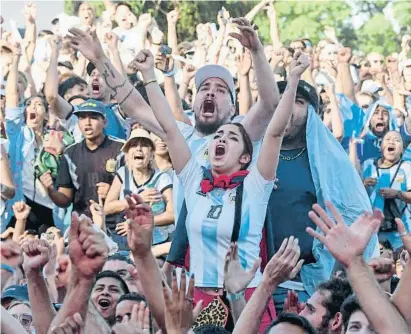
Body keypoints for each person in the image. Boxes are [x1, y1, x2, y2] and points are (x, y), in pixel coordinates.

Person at [134, 42, 309, 329]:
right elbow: (169, 127)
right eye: (218, 136)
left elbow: (275, 131)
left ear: (244, 156)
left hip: (247, 296)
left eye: (231, 137)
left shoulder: (256, 186)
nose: (221, 139)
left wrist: (293, 80)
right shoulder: (193, 180)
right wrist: (149, 76)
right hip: (198, 297)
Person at [265, 76, 377, 313]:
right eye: (280, 99)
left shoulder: (331, 163)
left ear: (315, 114)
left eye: (297, 101)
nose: (285, 106)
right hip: (250, 282)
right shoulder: (251, 154)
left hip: (303, 289)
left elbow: (353, 217)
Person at [40, 99, 124, 218]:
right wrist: (50, 190)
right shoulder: (70, 153)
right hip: (83, 223)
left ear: (104, 122)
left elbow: (136, 188)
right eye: (82, 118)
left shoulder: (121, 149)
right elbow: (65, 200)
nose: (87, 122)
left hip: (116, 224)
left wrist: (114, 194)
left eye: (93, 117)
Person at [104, 128, 174, 248]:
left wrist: (140, 223)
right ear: (127, 153)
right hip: (125, 242)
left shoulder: (162, 178)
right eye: (134, 145)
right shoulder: (123, 173)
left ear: (152, 154)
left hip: (155, 243)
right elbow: (107, 207)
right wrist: (137, 199)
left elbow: (172, 215)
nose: (138, 149)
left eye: (144, 145)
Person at [362, 130, 411, 249]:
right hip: (373, 232)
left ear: (402, 150)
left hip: (400, 232)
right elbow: (355, 195)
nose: (392, 141)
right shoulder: (368, 164)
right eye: (388, 139)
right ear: (380, 147)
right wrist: (363, 184)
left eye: (397, 140)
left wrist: (397, 194)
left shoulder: (407, 167)